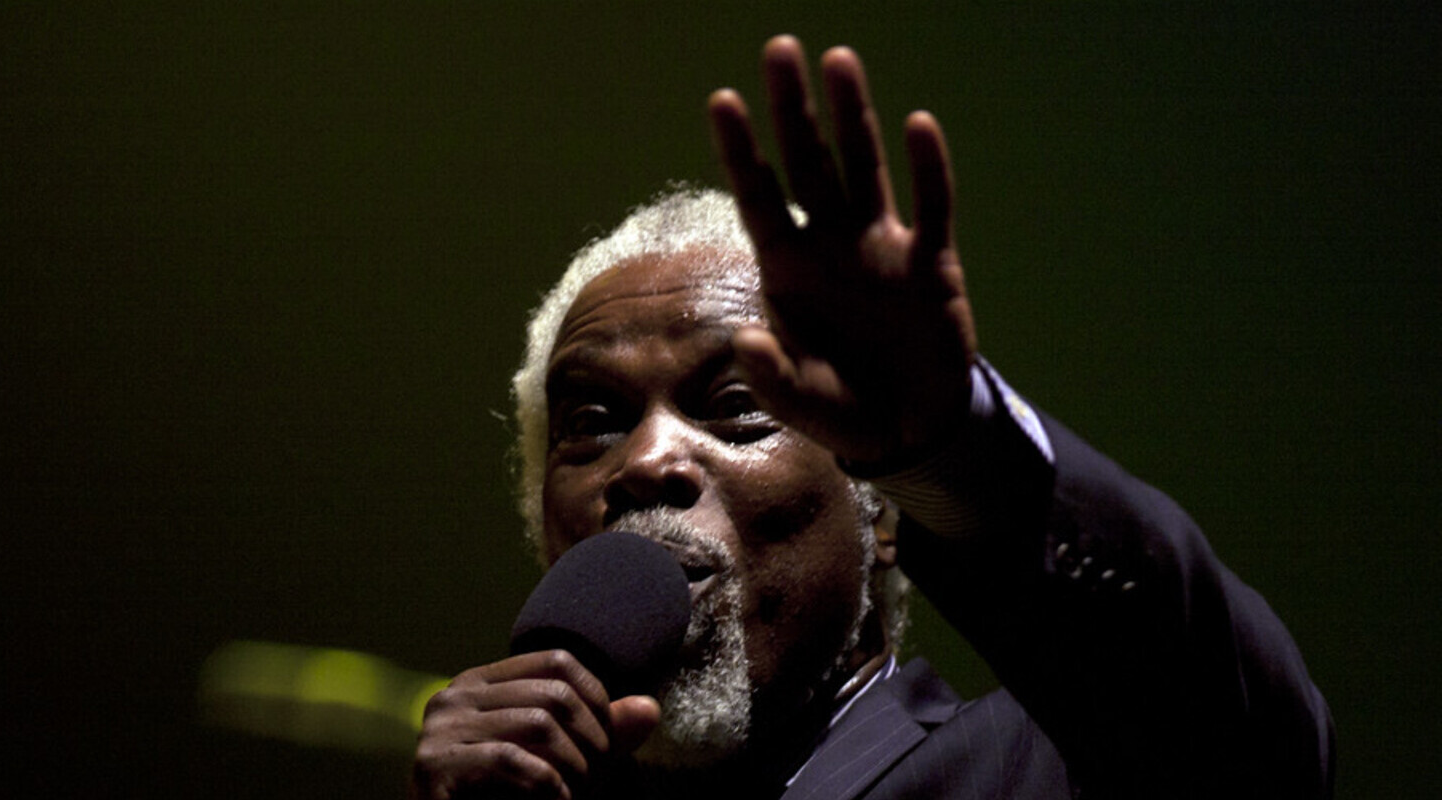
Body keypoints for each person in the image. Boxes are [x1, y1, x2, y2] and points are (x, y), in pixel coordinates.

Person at [411, 36, 1334, 799]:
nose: (647, 459)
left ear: (882, 508)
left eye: (738, 407)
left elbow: (1247, 743)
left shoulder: (1040, 769)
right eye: (592, 422)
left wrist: (951, 441)